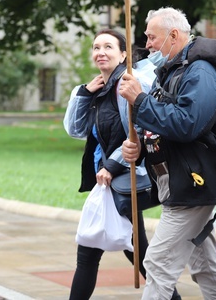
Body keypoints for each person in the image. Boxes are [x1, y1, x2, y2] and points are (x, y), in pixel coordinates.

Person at [119, 7, 216, 299]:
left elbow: (188, 124)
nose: (146, 44)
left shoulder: (201, 72)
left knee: (157, 264)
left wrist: (140, 100)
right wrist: (138, 147)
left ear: (174, 35)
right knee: (204, 267)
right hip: (179, 180)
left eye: (151, 37)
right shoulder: (175, 69)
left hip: (195, 181)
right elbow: (165, 124)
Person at [63, 29, 178, 300]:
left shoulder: (127, 84)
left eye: (108, 47)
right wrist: (83, 94)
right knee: (137, 255)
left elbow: (137, 130)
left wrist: (112, 166)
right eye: (96, 47)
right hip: (107, 182)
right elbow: (75, 129)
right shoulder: (100, 90)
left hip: (126, 178)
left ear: (124, 54)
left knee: (100, 254)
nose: (100, 52)